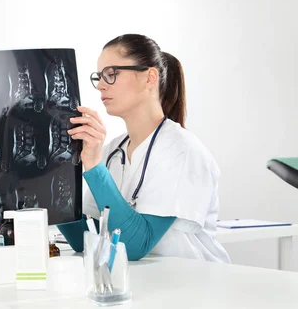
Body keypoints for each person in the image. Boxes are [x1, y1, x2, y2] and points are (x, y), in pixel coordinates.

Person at [63, 34, 230, 262]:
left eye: (111, 74)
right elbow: (85, 237)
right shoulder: (112, 150)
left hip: (192, 287)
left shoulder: (181, 150)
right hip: (145, 287)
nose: (101, 86)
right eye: (99, 77)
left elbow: (135, 245)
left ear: (150, 78)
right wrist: (56, 168)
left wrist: (93, 165)